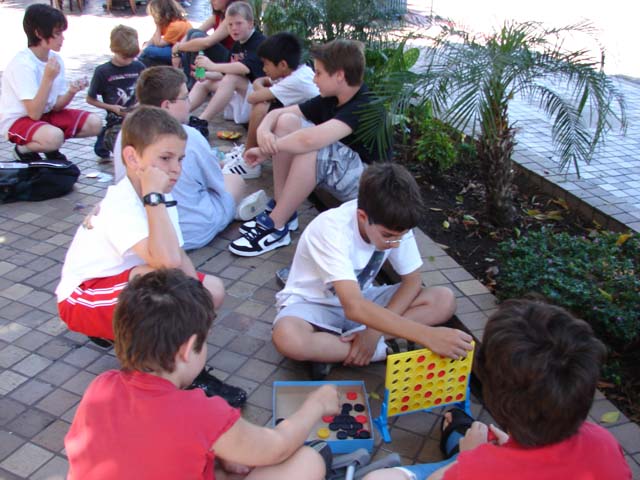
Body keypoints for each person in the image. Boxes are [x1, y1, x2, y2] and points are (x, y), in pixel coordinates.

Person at [65, 268, 338, 479]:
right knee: (309, 459)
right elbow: (278, 447)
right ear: (187, 349)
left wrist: (222, 452)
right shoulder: (203, 413)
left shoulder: (101, 386)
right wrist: (316, 404)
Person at [56, 106, 246, 406]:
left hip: (121, 285)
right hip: (82, 299)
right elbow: (167, 262)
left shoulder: (160, 196)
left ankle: (178, 364)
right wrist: (153, 196)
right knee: (160, 284)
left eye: (180, 159)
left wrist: (197, 312)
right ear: (133, 158)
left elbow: (177, 254)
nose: (176, 169)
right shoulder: (125, 202)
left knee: (210, 291)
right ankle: (172, 376)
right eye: (165, 158)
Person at [361, 298, 632, 480]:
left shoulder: (474, 471)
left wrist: (468, 459)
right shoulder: (604, 442)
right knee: (460, 432)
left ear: (493, 394)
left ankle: (457, 447)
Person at [271, 163, 472, 379]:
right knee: (289, 338)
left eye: (401, 236)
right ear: (362, 216)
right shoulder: (331, 230)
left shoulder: (395, 222)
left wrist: (373, 332)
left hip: (364, 303)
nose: (396, 243)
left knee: (443, 299)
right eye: (388, 236)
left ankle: (338, 350)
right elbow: (354, 307)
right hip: (314, 306)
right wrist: (428, 336)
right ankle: (383, 351)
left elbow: (412, 282)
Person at [228, 38, 389, 257]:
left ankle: (276, 225)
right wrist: (264, 130)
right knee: (286, 122)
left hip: (369, 186)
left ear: (339, 75)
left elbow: (310, 141)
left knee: (312, 149)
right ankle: (283, 211)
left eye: (319, 73)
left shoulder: (366, 104)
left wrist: (266, 150)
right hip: (344, 174)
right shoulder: (331, 97)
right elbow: (279, 114)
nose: (314, 79)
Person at [111, 66, 268, 250]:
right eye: (185, 97)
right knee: (234, 180)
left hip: (144, 232)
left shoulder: (125, 133)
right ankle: (231, 212)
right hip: (190, 231)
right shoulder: (188, 135)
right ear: (166, 105)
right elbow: (216, 183)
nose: (190, 102)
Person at [0, 4, 102, 163]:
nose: (62, 39)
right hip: (19, 120)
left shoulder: (55, 59)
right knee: (55, 137)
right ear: (39, 33)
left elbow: (56, 106)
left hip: (46, 115)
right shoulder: (22, 64)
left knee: (95, 123)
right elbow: (34, 113)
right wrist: (47, 78)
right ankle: (23, 150)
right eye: (57, 33)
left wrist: (72, 91)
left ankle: (48, 145)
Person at [221, 32, 320, 180]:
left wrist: (262, 91)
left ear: (282, 65)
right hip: (301, 121)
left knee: (261, 105)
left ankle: (249, 163)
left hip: (313, 131)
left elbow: (252, 97)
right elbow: (260, 81)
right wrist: (262, 89)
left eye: (266, 64)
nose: (264, 68)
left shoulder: (297, 80)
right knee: (263, 102)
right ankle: (248, 152)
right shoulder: (294, 71)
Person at [188, 2, 266, 124]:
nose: (234, 28)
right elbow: (223, 74)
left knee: (231, 78)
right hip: (243, 91)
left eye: (239, 23)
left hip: (261, 94)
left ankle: (202, 122)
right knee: (204, 83)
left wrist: (211, 66)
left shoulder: (259, 42)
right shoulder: (237, 44)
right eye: (230, 24)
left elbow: (244, 68)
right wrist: (207, 74)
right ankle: (180, 114)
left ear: (250, 24)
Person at [87, 25, 146, 160]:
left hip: (136, 116)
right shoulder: (102, 71)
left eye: (132, 57)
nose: (128, 61)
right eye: (124, 57)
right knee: (119, 146)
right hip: (116, 119)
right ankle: (104, 137)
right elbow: (90, 99)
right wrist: (112, 108)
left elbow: (147, 90)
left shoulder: (139, 67)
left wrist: (140, 103)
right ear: (114, 50)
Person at [172, 0, 239, 88]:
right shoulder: (217, 15)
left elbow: (207, 43)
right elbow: (193, 31)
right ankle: (187, 79)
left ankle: (194, 82)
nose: (212, 1)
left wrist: (179, 47)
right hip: (219, 56)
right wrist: (176, 52)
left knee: (197, 37)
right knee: (193, 33)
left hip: (231, 59)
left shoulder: (232, 16)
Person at [138, 0, 192, 67]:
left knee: (148, 50)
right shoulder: (168, 22)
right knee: (147, 46)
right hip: (174, 47)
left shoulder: (176, 25)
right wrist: (145, 46)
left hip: (183, 54)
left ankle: (138, 64)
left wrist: (157, 25)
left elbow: (159, 44)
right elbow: (153, 39)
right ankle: (139, 60)